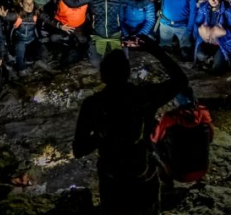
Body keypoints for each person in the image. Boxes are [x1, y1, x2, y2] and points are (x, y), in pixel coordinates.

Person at [73, 34, 189, 214]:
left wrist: (102, 136)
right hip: (141, 175)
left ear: (103, 75)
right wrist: (154, 50)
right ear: (128, 73)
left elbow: (78, 149)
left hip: (112, 179)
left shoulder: (93, 105)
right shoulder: (143, 96)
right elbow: (181, 80)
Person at [193, 0, 231, 73]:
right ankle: (210, 58)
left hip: (222, 44)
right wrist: (201, 31)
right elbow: (197, 23)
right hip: (207, 41)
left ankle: (217, 60)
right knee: (200, 55)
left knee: (217, 68)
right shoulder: (204, 9)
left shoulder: (227, 11)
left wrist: (223, 32)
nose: (213, 0)